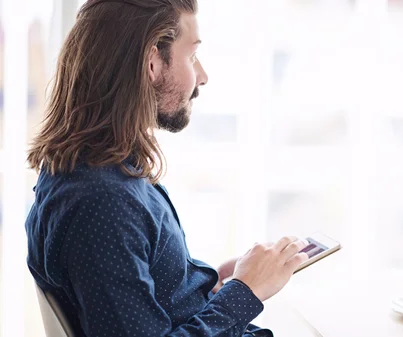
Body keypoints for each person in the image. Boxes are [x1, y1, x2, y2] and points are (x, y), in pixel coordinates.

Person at [24, 1, 309, 336]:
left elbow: (139, 304)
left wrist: (211, 285)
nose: (202, 76)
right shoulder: (104, 202)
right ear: (152, 62)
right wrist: (245, 292)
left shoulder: (98, 172)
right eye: (192, 56)